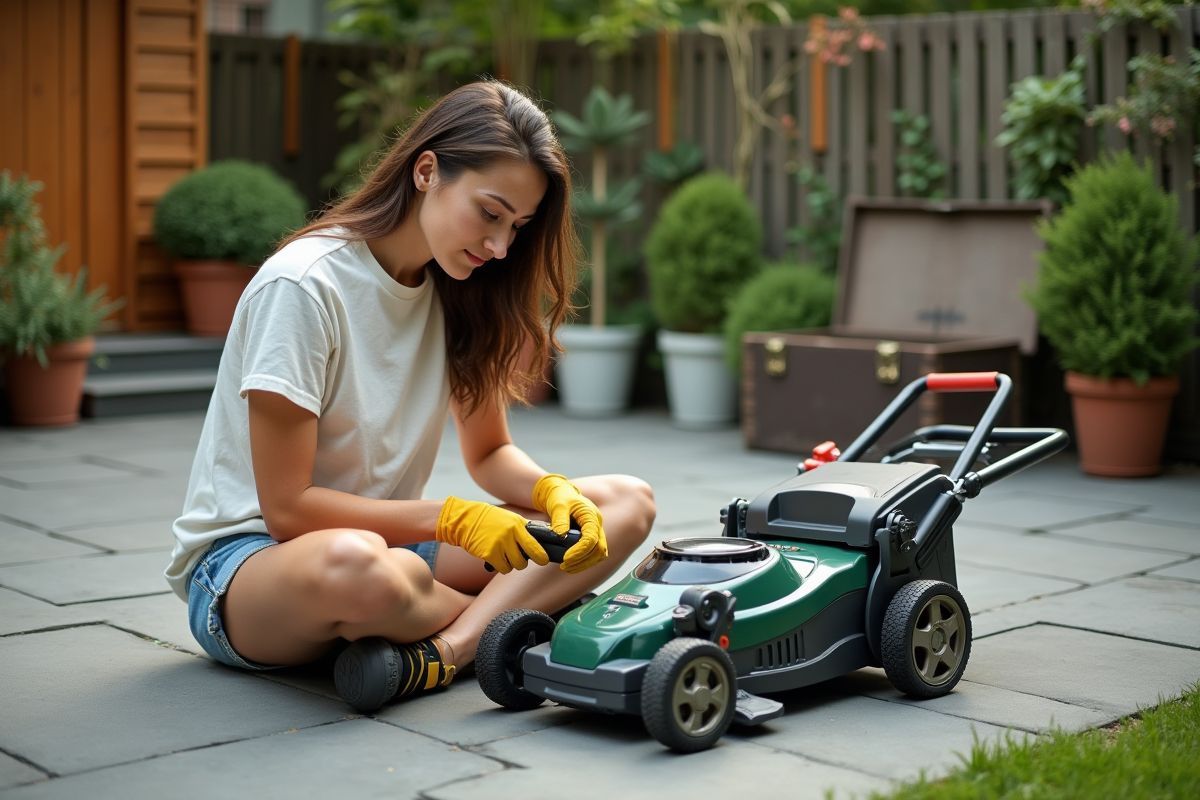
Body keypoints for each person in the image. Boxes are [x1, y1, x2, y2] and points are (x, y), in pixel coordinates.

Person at [164, 81, 656, 713]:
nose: (501, 247)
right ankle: (532, 621)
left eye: (517, 227)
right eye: (490, 213)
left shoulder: (460, 290)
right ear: (427, 172)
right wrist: (455, 520)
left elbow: (490, 453)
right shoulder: (304, 286)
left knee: (623, 502)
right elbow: (287, 509)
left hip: (396, 551)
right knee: (359, 566)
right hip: (250, 566)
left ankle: (447, 651)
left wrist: (550, 492)